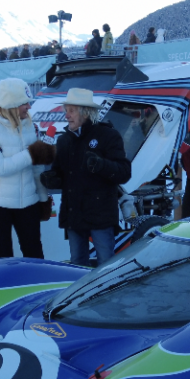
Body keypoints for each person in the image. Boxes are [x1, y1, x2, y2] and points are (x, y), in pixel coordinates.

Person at [40, 88, 131, 267]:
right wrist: (53, 179)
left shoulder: (108, 135)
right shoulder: (64, 140)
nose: (66, 115)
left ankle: (107, 287)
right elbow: (60, 174)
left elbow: (124, 172)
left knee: (106, 265)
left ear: (86, 112)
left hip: (100, 216)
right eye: (66, 110)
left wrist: (101, 165)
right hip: (74, 215)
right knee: (77, 265)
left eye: (71, 111)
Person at [0, 78, 56, 260]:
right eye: (24, 103)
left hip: (28, 202)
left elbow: (36, 169)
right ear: (11, 104)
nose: (29, 107)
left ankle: (35, 280)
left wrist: (43, 199)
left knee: (35, 254)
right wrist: (32, 153)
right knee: (3, 257)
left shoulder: (32, 127)